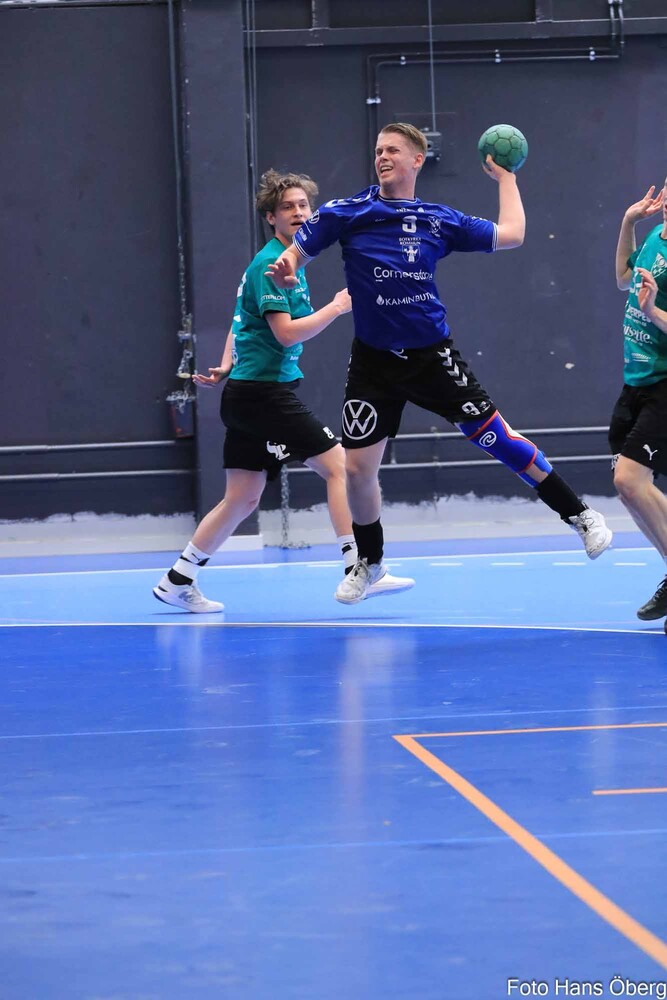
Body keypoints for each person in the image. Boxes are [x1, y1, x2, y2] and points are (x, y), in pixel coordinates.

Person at [267, 122, 613, 604]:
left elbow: (512, 234)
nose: (382, 157)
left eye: (393, 150)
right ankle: (370, 562)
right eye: (378, 150)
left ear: (417, 160)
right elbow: (294, 257)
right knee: (359, 469)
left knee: (497, 439)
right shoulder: (348, 211)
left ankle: (581, 515)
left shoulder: (438, 220)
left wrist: (506, 179)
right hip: (373, 363)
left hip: (432, 357)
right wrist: (287, 270)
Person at [154, 169, 414, 613]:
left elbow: (240, 319)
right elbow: (287, 333)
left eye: (303, 206)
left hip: (245, 393)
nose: (297, 212)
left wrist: (227, 363)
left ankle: (177, 580)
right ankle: (360, 566)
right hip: (264, 396)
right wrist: (337, 307)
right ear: (271, 217)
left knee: (242, 498)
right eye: (287, 207)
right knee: (342, 468)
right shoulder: (271, 264)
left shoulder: (286, 262)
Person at [610, 176, 667, 623]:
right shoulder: (655, 235)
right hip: (636, 383)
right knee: (630, 489)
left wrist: (651, 311)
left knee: (629, 480)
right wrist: (628, 223)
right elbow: (623, 279)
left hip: (664, 384)